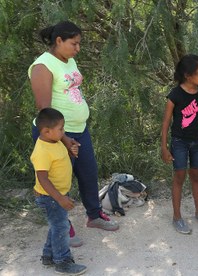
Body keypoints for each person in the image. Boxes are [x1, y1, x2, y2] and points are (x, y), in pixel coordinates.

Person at [28, 21, 119, 245]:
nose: (78, 49)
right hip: (55, 135)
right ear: (58, 41)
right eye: (74, 44)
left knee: (88, 173)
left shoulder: (68, 60)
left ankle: (94, 216)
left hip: (79, 130)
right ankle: (62, 225)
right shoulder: (42, 66)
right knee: (58, 181)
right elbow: (44, 108)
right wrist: (64, 138)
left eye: (79, 44)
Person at [161, 54, 198, 234]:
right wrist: (164, 147)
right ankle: (177, 217)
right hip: (179, 142)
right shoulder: (175, 95)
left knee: (196, 176)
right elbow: (166, 122)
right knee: (179, 176)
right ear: (187, 75)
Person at [31, 108, 87, 275]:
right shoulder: (41, 151)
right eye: (61, 129)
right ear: (46, 131)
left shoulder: (54, 142)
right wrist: (60, 198)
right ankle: (62, 261)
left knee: (56, 226)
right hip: (50, 197)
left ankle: (48, 256)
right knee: (61, 226)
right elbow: (43, 179)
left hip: (57, 195)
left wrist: (71, 150)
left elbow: (61, 158)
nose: (64, 132)